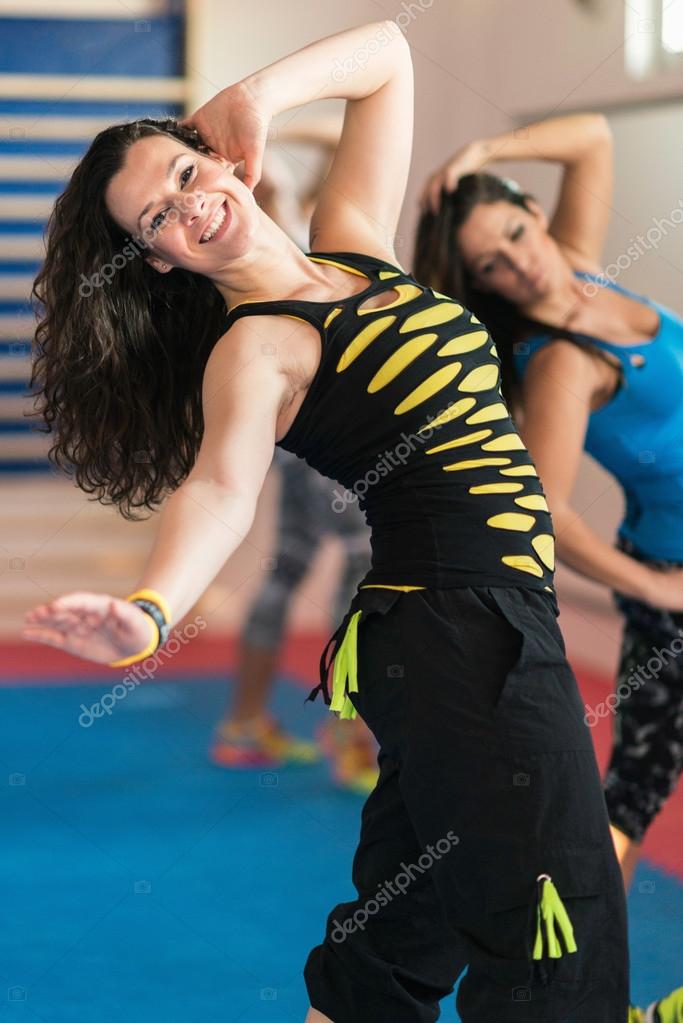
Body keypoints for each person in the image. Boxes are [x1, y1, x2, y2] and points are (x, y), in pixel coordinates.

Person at [23, 23, 629, 1021]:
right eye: (156, 220)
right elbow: (219, 489)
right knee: (553, 922)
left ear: (224, 156)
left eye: (184, 173)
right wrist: (149, 608)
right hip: (457, 632)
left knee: (407, 925)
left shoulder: (354, 242)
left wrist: (253, 99)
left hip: (463, 628)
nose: (188, 207)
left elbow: (388, 54)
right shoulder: (256, 348)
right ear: (157, 260)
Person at [415, 112, 683, 893]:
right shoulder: (560, 364)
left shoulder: (580, 269)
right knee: (631, 795)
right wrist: (657, 589)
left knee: (632, 789)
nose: (521, 267)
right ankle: (582, 990)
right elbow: (548, 513)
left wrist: (481, 147)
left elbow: (592, 136)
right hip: (670, 564)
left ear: (535, 213)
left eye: (514, 235)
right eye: (491, 267)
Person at [209, 129, 378, 794]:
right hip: (321, 445)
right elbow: (319, 156)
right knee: (357, 572)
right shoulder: (287, 241)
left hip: (303, 443)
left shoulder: (324, 254)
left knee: (296, 570)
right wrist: (269, 130)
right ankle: (348, 733)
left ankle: (247, 721)